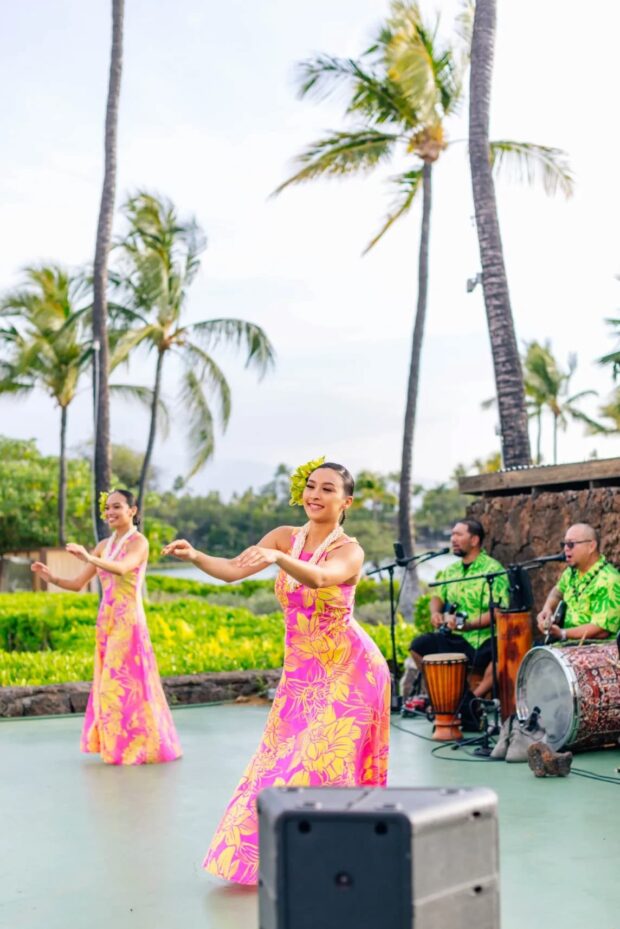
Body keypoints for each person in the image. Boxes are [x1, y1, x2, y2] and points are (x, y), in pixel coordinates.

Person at [163, 460, 391, 886]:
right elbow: (233, 570)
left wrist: (279, 559)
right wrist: (195, 555)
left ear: (347, 502)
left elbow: (323, 579)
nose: (315, 495)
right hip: (301, 676)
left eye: (327, 489)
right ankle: (274, 859)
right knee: (274, 766)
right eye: (310, 486)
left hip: (351, 672)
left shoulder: (349, 550)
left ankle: (330, 862)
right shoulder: (284, 537)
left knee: (319, 765)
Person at [31, 490, 182, 766]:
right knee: (107, 685)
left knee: (121, 685)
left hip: (129, 621)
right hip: (107, 621)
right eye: (107, 508)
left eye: (117, 507)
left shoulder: (139, 542)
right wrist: (51, 577)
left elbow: (123, 568)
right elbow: (78, 584)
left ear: (132, 510)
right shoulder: (103, 544)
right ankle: (119, 746)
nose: (110, 512)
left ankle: (134, 748)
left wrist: (89, 558)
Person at [410, 519, 509, 699]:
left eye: (459, 534)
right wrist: (436, 613)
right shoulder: (451, 571)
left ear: (474, 540)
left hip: (485, 638)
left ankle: (472, 700)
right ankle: (440, 696)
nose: (453, 539)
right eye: (452, 535)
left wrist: (469, 625)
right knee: (418, 646)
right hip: (456, 637)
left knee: (503, 653)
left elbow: (497, 612)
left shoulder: (493, 570)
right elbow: (437, 597)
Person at [536, 522, 620, 641]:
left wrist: (563, 633)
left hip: (595, 651)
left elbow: (602, 630)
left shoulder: (609, 580)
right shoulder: (572, 572)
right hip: (567, 646)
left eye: (571, 544)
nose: (565, 549)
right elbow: (558, 591)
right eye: (564, 544)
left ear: (591, 546)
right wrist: (548, 608)